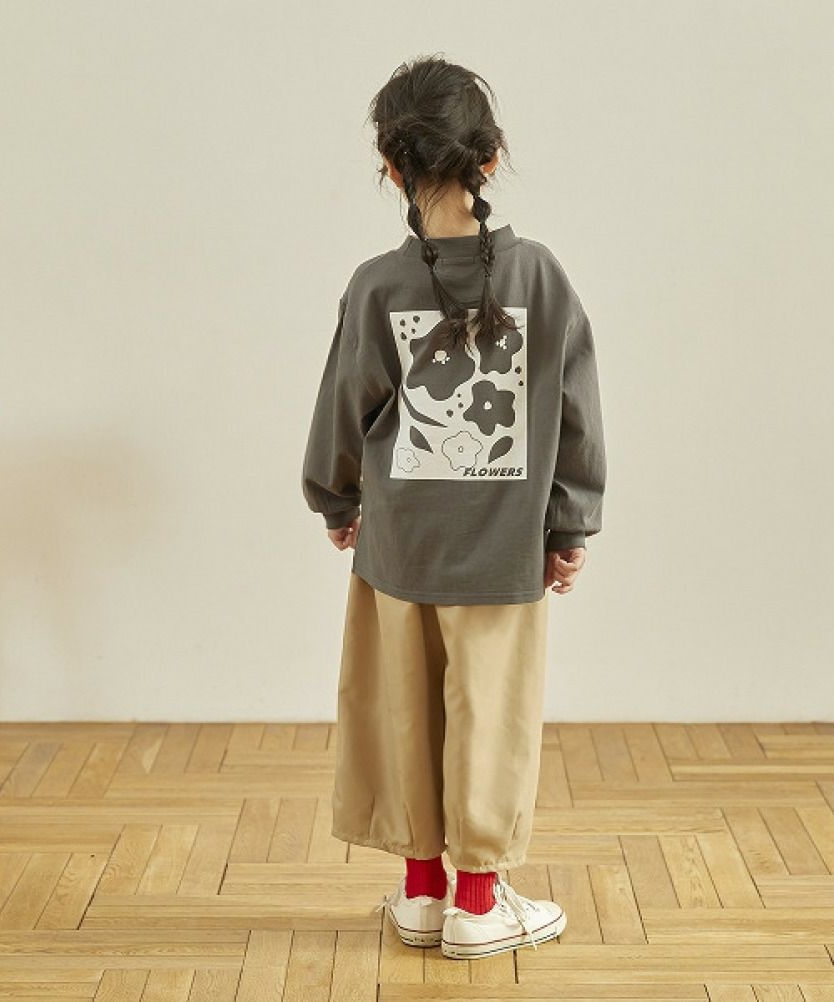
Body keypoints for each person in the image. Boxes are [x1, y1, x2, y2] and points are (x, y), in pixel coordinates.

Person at [300, 54, 607, 960]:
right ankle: (479, 902)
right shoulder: (541, 277)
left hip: (400, 549)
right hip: (503, 553)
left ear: (390, 166)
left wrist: (337, 501)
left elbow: (344, 405)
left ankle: (423, 892)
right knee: (491, 715)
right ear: (491, 156)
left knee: (403, 711)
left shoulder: (376, 284)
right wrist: (569, 523)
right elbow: (577, 411)